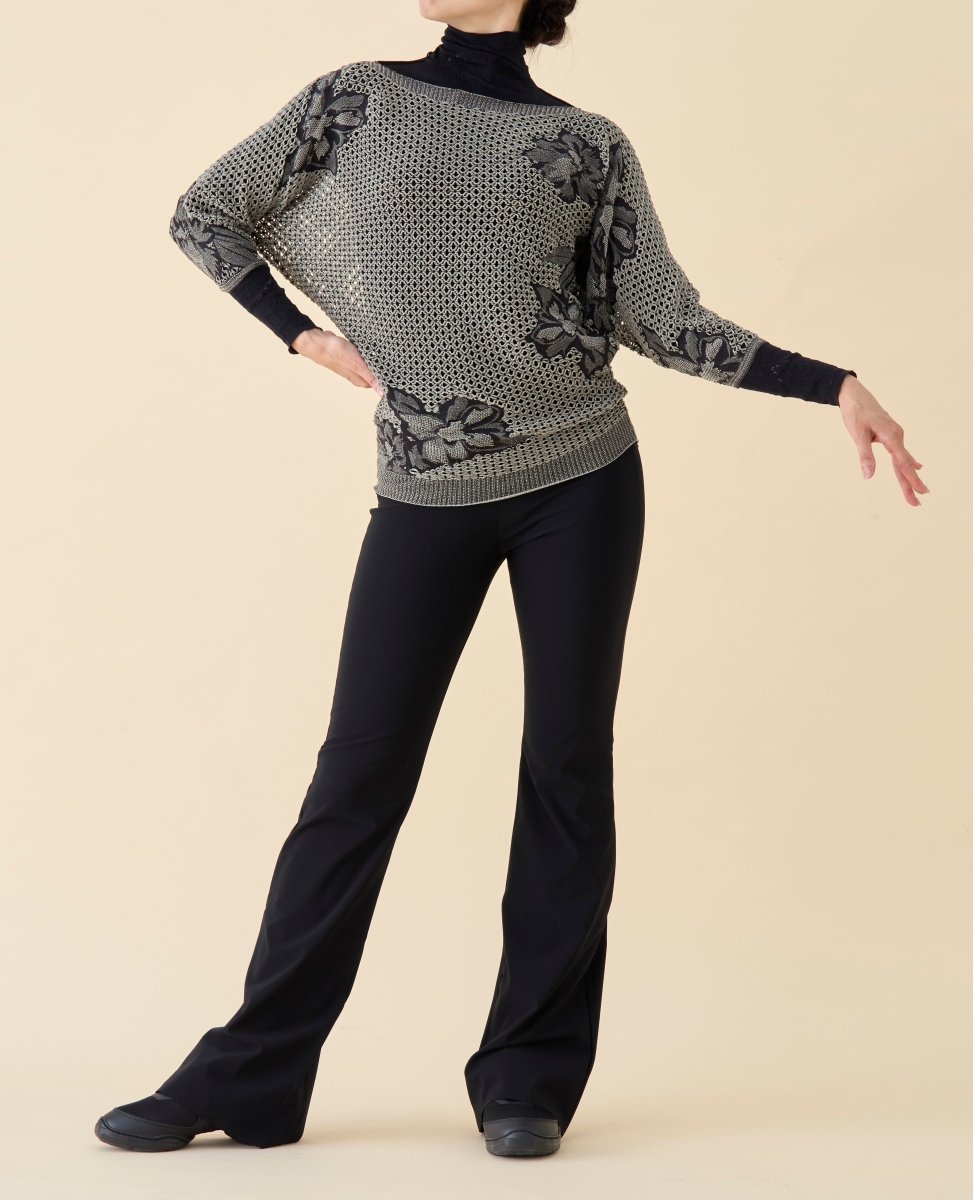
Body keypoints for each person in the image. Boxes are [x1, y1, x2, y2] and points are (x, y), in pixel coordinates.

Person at [94, 0, 928, 1160]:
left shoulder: (586, 145)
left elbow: (662, 318)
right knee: (357, 778)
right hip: (424, 485)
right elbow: (208, 212)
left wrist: (830, 381)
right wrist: (301, 334)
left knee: (566, 768)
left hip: (580, 478)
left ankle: (526, 1079)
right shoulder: (355, 98)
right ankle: (252, 1074)